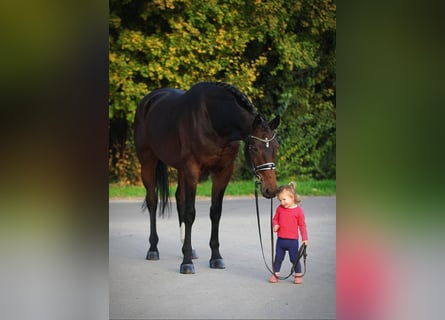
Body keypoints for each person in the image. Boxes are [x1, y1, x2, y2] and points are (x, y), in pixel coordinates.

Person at [269, 182, 308, 284]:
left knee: (294, 258)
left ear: (292, 197)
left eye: (284, 199)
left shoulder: (299, 211)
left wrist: (305, 238)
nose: (282, 202)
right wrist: (275, 225)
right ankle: (275, 274)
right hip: (281, 240)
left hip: (292, 241)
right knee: (278, 258)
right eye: (280, 200)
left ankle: (298, 275)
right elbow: (275, 219)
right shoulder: (280, 209)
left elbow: (302, 225)